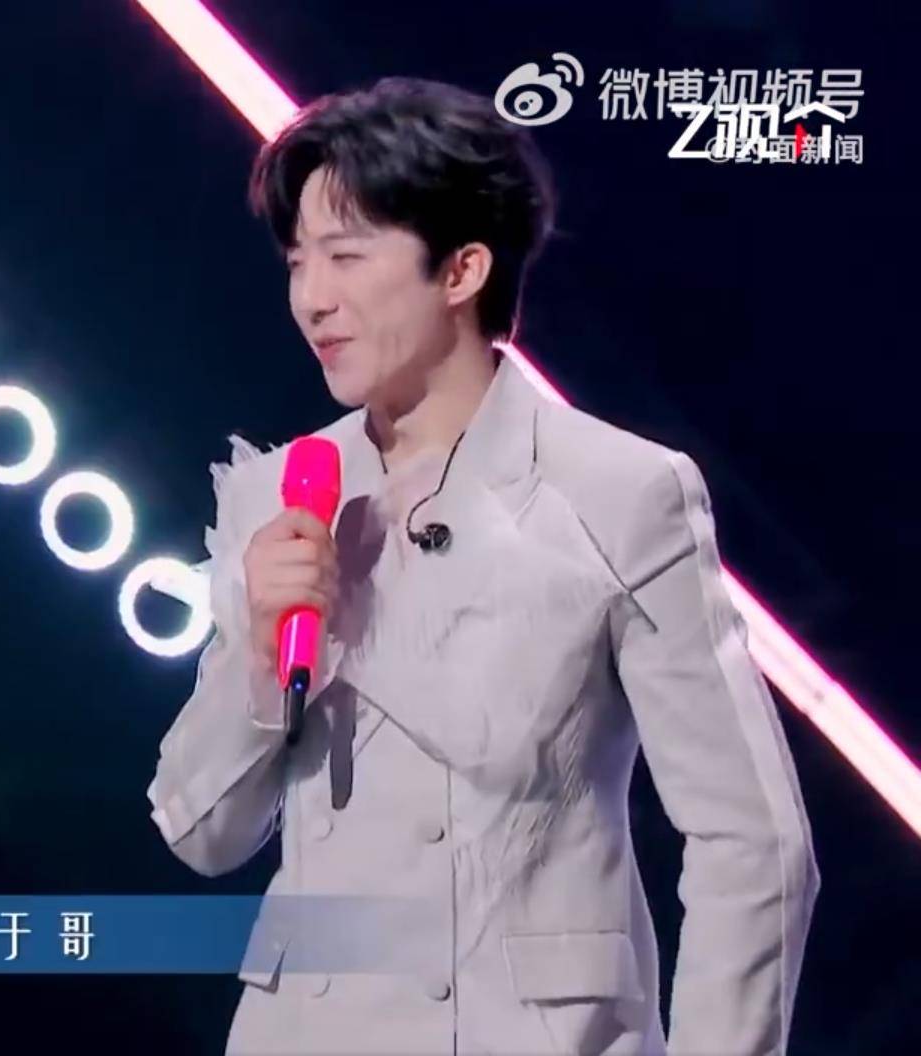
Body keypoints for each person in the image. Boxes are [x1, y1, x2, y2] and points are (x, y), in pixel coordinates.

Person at [146, 77, 817, 1055]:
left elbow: (752, 842)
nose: (311, 298)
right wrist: (259, 653)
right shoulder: (280, 494)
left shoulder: (620, 491)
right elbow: (200, 833)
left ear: (461, 269)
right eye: (297, 261)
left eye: (345, 256)